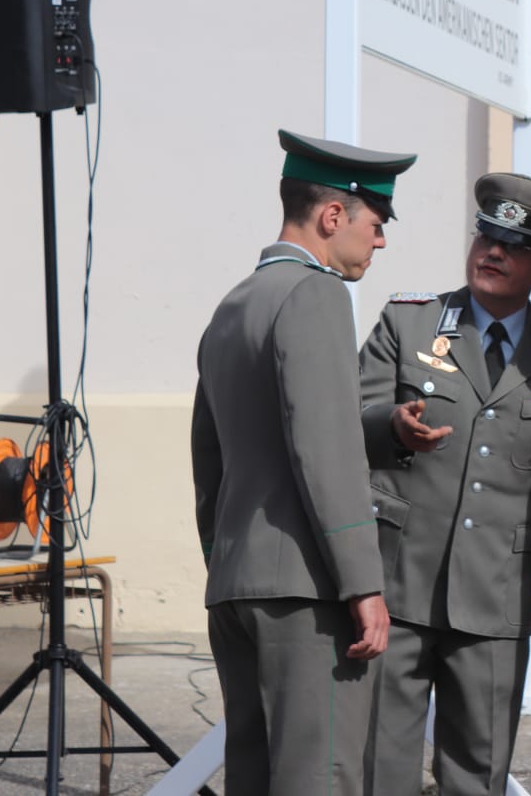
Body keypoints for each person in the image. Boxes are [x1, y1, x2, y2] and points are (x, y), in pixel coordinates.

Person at [357, 173, 531, 796]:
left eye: (514, 245)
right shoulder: (407, 324)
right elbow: (345, 428)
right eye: (486, 237)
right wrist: (392, 426)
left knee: (478, 773)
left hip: (496, 600)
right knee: (380, 769)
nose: (493, 253)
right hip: (397, 590)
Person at [190, 129, 416, 795]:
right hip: (306, 592)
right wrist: (362, 584)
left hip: (237, 583)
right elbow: (328, 452)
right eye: (375, 224)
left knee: (255, 779)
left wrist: (224, 557)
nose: (380, 241)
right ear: (331, 215)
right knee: (320, 779)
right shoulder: (315, 295)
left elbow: (209, 458)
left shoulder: (232, 306)